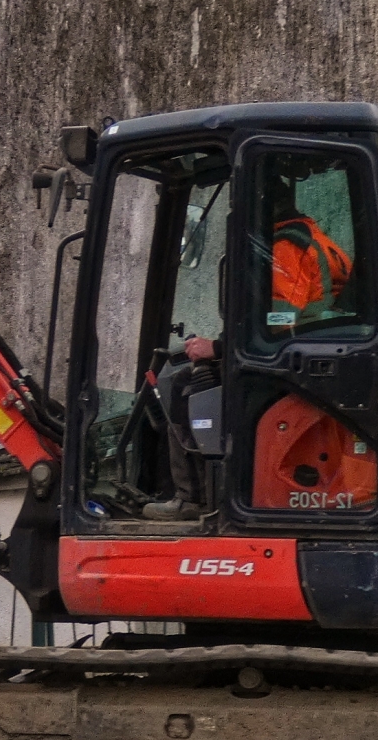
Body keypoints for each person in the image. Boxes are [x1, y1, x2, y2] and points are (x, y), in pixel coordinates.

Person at [141, 186, 352, 521]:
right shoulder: (321, 242)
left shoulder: (286, 247)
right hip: (308, 352)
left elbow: (279, 322)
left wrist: (217, 348)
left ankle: (193, 497)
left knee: (186, 386)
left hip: (288, 359)